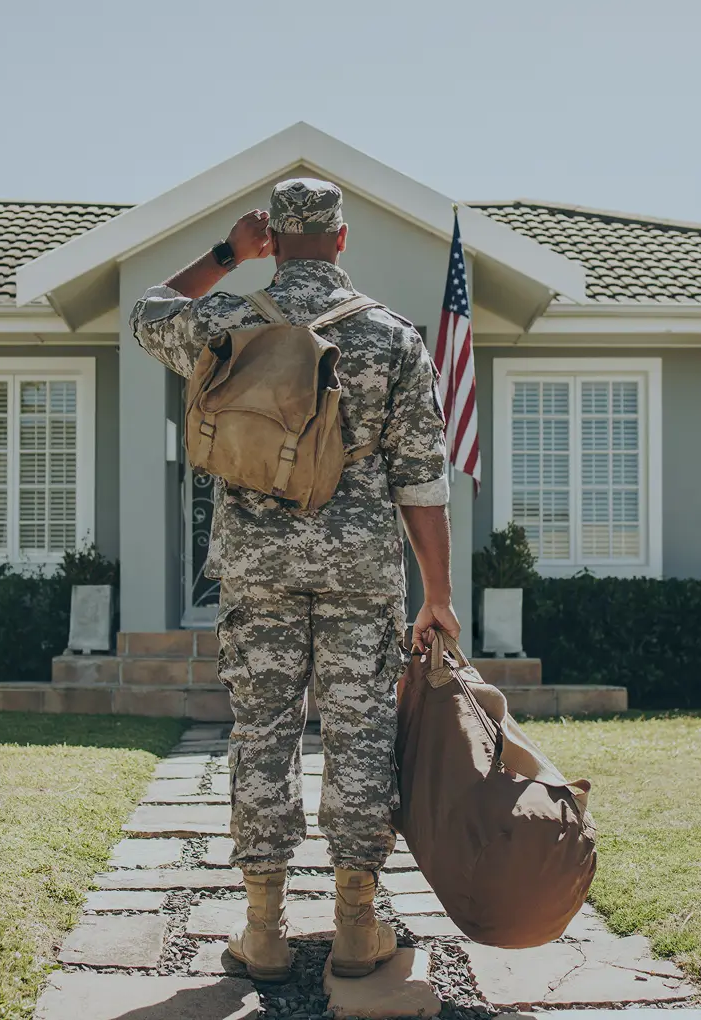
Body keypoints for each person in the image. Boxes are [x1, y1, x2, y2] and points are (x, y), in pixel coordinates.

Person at [130, 178, 460, 982]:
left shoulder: (225, 320)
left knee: (262, 736)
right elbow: (421, 480)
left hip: (257, 571)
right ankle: (355, 925)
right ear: (343, 240)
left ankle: (265, 929)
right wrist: (439, 597)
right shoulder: (390, 337)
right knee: (359, 738)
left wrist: (223, 256)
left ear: (270, 237)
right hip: (359, 575)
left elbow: (145, 312)